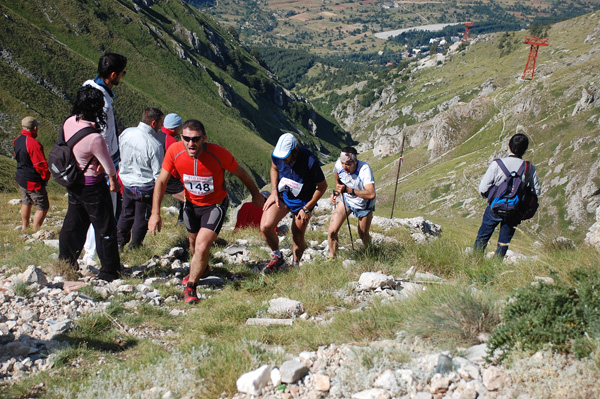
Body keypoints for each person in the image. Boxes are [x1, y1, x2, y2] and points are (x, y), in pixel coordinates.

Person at [149, 119, 264, 304]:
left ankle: (191, 287)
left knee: (202, 246)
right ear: (181, 137)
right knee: (194, 246)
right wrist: (155, 213)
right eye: (187, 138)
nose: (191, 143)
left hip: (214, 206)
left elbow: (241, 174)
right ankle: (204, 269)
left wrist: (256, 195)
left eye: (196, 139)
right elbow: (161, 181)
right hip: (191, 205)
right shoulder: (174, 151)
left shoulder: (219, 154)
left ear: (204, 138)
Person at [58, 86, 122, 282]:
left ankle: (66, 261)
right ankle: (109, 271)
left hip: (74, 181)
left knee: (74, 222)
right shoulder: (94, 138)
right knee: (105, 227)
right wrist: (113, 182)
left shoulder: (68, 123)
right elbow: (109, 166)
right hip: (93, 185)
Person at [81, 52, 128, 264]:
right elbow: (103, 137)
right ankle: (93, 255)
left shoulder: (88, 86)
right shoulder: (105, 104)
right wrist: (109, 171)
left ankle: (86, 252)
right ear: (112, 74)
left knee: (87, 208)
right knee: (105, 212)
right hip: (102, 163)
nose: (123, 77)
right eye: (122, 73)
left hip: (85, 159)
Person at [259, 133, 327, 272]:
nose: (283, 160)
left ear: (295, 150)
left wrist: (307, 208)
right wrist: (273, 191)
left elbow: (322, 186)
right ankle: (277, 257)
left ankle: (295, 265)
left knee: (297, 234)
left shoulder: (309, 160)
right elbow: (274, 168)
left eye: (286, 157)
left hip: (303, 201)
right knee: (265, 227)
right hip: (284, 195)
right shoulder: (277, 156)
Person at [474, 133, 541, 258]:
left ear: (509, 146)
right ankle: (496, 267)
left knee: (483, 237)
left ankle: (475, 262)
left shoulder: (497, 164)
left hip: (495, 207)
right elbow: (537, 191)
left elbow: (483, 188)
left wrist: (492, 195)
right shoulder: (529, 168)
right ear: (525, 149)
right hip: (515, 210)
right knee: (504, 242)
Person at [117, 108, 164, 250]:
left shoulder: (126, 133)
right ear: (153, 123)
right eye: (160, 122)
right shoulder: (155, 145)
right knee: (141, 218)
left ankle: (118, 242)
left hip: (126, 183)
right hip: (144, 187)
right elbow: (158, 174)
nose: (161, 126)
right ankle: (135, 246)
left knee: (126, 214)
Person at [328, 147, 376, 258]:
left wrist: (349, 190)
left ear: (355, 161)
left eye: (348, 164)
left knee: (363, 233)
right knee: (332, 230)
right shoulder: (339, 165)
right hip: (347, 200)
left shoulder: (365, 170)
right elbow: (337, 180)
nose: (344, 167)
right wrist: (336, 192)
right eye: (342, 163)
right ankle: (332, 258)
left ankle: (371, 254)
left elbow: (371, 193)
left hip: (364, 205)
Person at [13, 116, 50, 230]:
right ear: (34, 128)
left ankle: (24, 227)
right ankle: (35, 230)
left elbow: (16, 155)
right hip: (33, 181)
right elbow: (40, 164)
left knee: (26, 201)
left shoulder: (17, 140)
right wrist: (45, 177)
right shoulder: (33, 143)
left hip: (21, 177)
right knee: (43, 207)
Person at [152, 113, 186, 222]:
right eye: (179, 127)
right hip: (168, 176)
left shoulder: (155, 134)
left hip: (153, 172)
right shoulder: (171, 142)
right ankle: (183, 222)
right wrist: (181, 180)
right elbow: (176, 165)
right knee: (188, 199)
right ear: (175, 127)